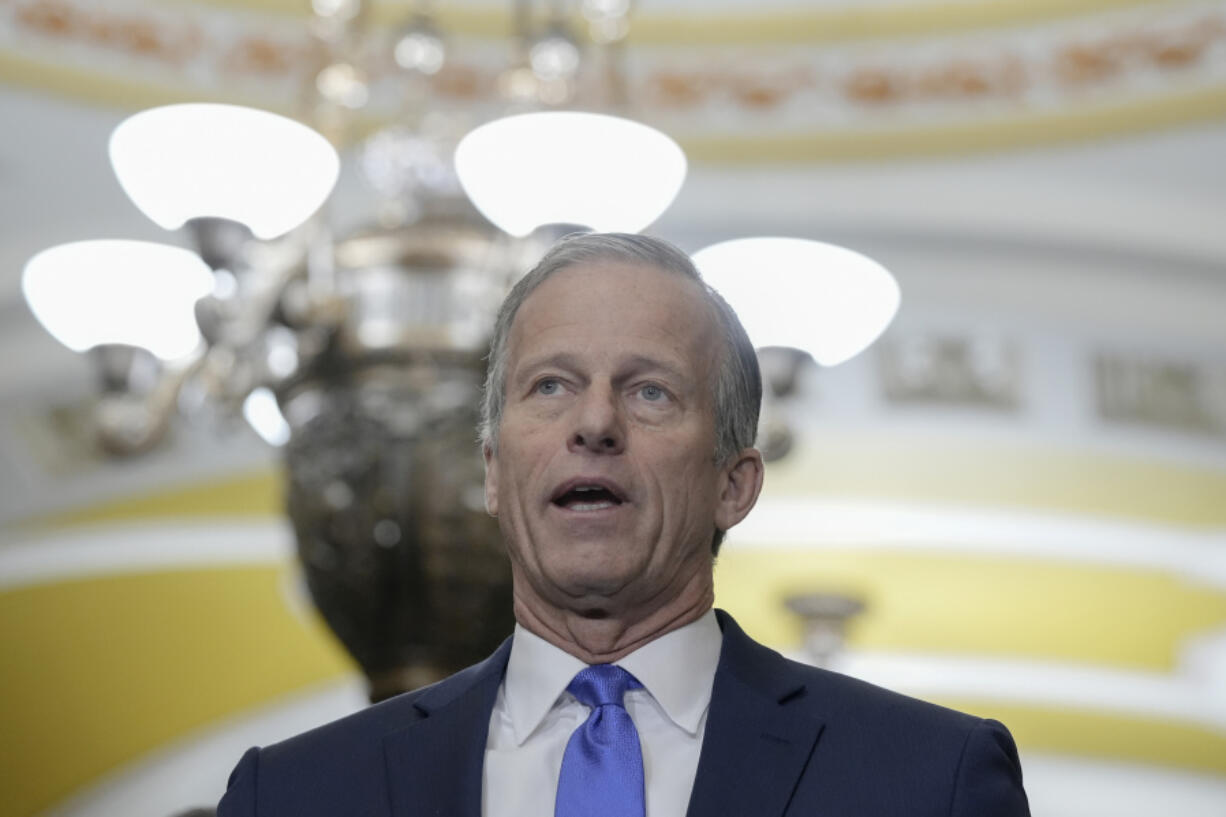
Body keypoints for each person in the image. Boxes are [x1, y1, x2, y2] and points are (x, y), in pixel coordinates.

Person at [218, 232, 1029, 816]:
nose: (595, 422)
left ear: (734, 484)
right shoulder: (294, 794)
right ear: (494, 473)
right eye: (550, 386)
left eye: (650, 391)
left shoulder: (929, 780)